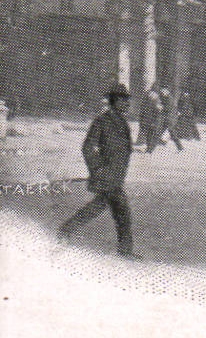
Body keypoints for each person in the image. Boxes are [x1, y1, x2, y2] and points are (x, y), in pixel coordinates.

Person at [58, 84, 140, 258]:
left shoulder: (122, 122)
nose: (126, 103)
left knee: (99, 207)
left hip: (115, 176)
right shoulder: (102, 121)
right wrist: (97, 168)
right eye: (121, 100)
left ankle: (65, 231)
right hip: (106, 176)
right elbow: (88, 147)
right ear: (113, 101)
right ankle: (125, 252)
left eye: (127, 100)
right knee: (122, 212)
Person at [138, 85, 163, 153]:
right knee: (148, 135)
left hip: (153, 120)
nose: (149, 93)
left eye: (150, 92)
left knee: (152, 135)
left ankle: (151, 149)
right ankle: (149, 148)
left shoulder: (156, 99)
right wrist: (141, 118)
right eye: (148, 92)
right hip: (147, 120)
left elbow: (158, 112)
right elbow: (142, 108)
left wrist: (154, 122)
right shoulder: (146, 97)